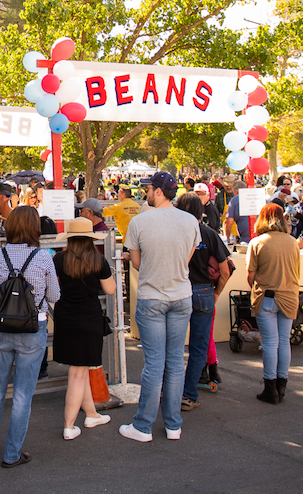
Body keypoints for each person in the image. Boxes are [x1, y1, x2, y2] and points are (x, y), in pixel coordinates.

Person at [119, 171, 199, 443]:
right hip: (181, 294)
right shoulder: (190, 221)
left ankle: (143, 425)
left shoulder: (139, 222)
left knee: (154, 364)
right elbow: (187, 258)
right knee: (176, 361)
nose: (145, 193)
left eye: (149, 189)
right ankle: (173, 424)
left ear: (159, 191)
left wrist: (132, 256)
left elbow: (139, 264)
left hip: (153, 296)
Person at [0, 206, 60, 468]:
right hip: (32, 329)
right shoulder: (44, 257)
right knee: (23, 394)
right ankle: (12, 454)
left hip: (0, 329)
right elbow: (54, 296)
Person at [51, 217, 116, 439]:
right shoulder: (98, 261)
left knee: (81, 366)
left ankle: (91, 414)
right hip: (89, 318)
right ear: (90, 238)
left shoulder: (58, 259)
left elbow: (51, 288)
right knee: (78, 372)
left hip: (65, 317)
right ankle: (69, 425)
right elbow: (110, 290)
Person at [174, 193, 231, 411]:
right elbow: (225, 269)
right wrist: (216, 292)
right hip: (204, 292)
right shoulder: (209, 234)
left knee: (174, 346)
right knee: (199, 347)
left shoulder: (175, 234)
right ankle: (189, 394)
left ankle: (170, 390)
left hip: (179, 290)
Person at [246, 203, 302, 404]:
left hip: (267, 296)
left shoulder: (258, 242)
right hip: (289, 295)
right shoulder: (293, 242)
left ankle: (270, 385)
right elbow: (297, 270)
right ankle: (281, 384)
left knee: (270, 342)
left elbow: (250, 276)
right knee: (284, 340)